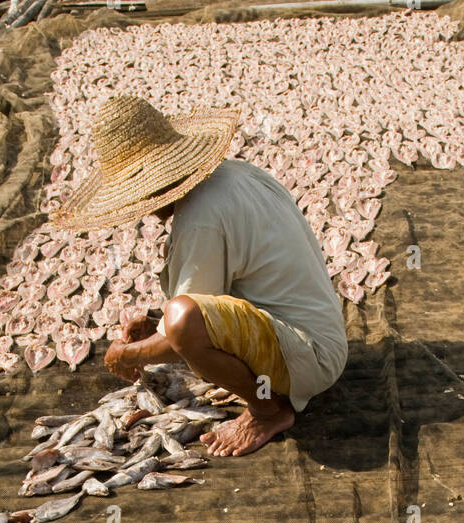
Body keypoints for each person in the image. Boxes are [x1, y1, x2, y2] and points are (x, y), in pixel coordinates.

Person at [52, 95, 348, 457]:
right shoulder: (233, 173)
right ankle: (265, 390)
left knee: (180, 322)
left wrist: (129, 356)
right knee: (175, 322)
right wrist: (156, 328)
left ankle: (268, 410)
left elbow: (188, 325)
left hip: (309, 360)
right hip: (318, 339)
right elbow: (208, 305)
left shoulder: (200, 217)